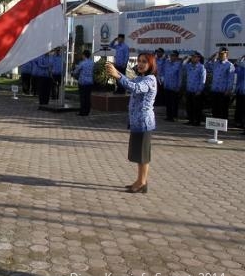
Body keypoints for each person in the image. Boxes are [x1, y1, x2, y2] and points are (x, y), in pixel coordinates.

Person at [105, 53, 157, 194]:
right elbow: (132, 83)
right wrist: (117, 74)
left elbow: (135, 88)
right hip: (136, 122)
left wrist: (118, 75)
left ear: (151, 64)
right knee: (139, 154)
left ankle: (142, 182)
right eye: (139, 61)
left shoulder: (150, 80)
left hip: (144, 122)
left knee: (143, 155)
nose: (140, 64)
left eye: (144, 62)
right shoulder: (141, 78)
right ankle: (140, 181)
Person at [205, 47, 235, 120]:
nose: (220, 55)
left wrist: (228, 90)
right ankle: (215, 128)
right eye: (219, 54)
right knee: (215, 109)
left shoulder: (229, 65)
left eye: (222, 54)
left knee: (223, 110)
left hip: (224, 92)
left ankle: (222, 128)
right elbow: (206, 66)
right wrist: (211, 57)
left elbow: (230, 79)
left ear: (226, 54)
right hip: (215, 91)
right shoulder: (215, 64)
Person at [183, 52, 206, 126]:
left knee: (197, 107)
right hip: (189, 89)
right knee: (189, 106)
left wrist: (200, 90)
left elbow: (203, 80)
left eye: (195, 57)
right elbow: (183, 66)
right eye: (192, 57)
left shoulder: (201, 67)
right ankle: (191, 120)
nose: (193, 58)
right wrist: (186, 59)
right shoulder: (189, 66)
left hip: (197, 91)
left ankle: (197, 121)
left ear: (199, 58)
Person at [71, 50, 94, 116]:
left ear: (84, 55)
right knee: (88, 97)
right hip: (90, 82)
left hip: (83, 82)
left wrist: (73, 72)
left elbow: (76, 71)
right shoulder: (92, 63)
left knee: (83, 97)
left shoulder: (82, 63)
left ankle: (82, 112)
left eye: (82, 55)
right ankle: (87, 111)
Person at [163, 50, 182, 122]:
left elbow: (180, 76)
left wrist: (178, 86)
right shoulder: (167, 63)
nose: (172, 57)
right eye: (171, 56)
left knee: (174, 103)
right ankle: (168, 116)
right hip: (167, 85)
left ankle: (174, 116)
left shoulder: (178, 64)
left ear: (177, 57)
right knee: (168, 102)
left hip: (174, 86)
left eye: (173, 56)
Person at [235, 55, 245, 132]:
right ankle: (239, 122)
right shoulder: (241, 68)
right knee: (239, 108)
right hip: (239, 90)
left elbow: (239, 63)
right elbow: (236, 65)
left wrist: (241, 58)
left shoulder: (242, 65)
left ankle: (242, 123)